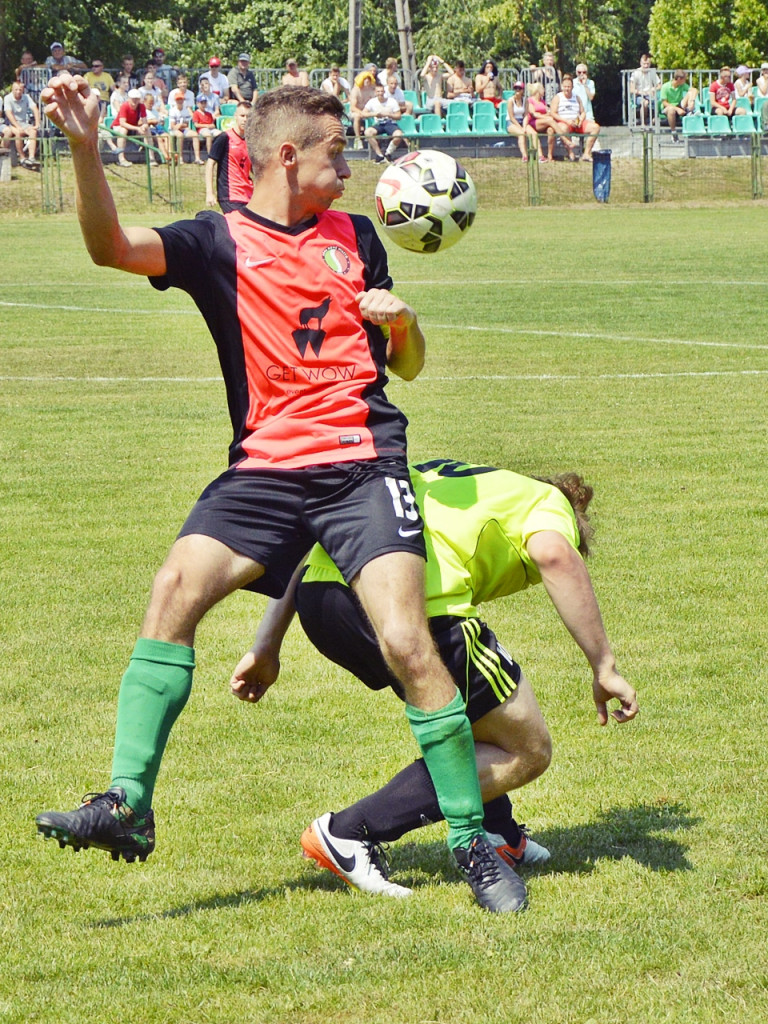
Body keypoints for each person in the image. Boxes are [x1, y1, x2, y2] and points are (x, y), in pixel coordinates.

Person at [35, 77, 526, 916]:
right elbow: (111, 245)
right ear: (288, 156)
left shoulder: (357, 239)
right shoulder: (217, 241)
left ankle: (473, 842)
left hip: (361, 466)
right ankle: (127, 805)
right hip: (265, 472)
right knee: (172, 593)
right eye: (338, 152)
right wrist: (85, 148)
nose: (352, 166)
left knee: (409, 642)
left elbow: (399, 368)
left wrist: (402, 324)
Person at [232, 459, 639, 898]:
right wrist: (605, 667)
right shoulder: (548, 504)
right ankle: (349, 831)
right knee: (528, 749)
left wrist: (266, 645)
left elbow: (319, 533)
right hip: (417, 612)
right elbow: (554, 554)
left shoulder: (458, 481)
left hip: (323, 602)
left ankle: (499, 832)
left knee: (464, 716)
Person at [204, 101, 252, 210]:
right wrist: (209, 193)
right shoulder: (224, 137)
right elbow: (210, 164)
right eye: (242, 116)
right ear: (235, 116)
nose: (245, 119)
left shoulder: (251, 141)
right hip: (230, 195)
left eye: (248, 116)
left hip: (248, 194)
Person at [550, 74, 599, 161]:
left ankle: (586, 153)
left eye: (569, 86)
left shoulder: (576, 97)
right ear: (562, 87)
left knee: (595, 127)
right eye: (565, 86)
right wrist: (566, 121)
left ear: (572, 87)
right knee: (563, 128)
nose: (567, 89)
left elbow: (583, 112)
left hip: (577, 122)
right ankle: (570, 153)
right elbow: (553, 113)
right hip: (565, 122)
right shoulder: (558, 97)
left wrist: (580, 120)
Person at [362, 82, 407, 162]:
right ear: (375, 93)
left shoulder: (392, 101)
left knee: (398, 135)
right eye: (378, 92)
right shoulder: (372, 102)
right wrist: (374, 114)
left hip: (390, 123)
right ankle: (379, 155)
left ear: (384, 92)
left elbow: (398, 116)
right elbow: (363, 113)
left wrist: (389, 115)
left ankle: (388, 153)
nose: (380, 93)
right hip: (378, 124)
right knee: (368, 132)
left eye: (382, 91)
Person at [523, 82, 566, 162]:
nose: (544, 90)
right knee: (550, 120)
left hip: (543, 122)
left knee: (551, 130)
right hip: (533, 122)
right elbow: (533, 114)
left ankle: (550, 155)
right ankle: (565, 139)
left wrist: (547, 115)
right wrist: (546, 117)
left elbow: (547, 111)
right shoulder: (530, 100)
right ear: (538, 90)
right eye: (543, 88)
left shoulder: (542, 101)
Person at [2, 80, 40, 168]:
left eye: (20, 90)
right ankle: (22, 157)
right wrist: (18, 126)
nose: (18, 92)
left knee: (33, 132)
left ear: (23, 90)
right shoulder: (8, 98)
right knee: (18, 133)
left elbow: (35, 109)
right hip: (11, 124)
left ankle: (31, 157)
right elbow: (9, 114)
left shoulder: (26, 97)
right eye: (16, 89)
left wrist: (37, 123)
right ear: (12, 89)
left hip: (23, 122)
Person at [112, 88, 151, 167]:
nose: (135, 101)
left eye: (137, 99)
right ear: (129, 99)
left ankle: (151, 157)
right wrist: (137, 128)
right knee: (123, 130)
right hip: (119, 126)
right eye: (133, 99)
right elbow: (122, 123)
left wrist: (144, 126)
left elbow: (145, 122)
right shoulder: (124, 106)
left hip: (133, 127)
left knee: (147, 130)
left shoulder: (141, 106)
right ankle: (121, 158)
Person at [659, 71, 698, 136]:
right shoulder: (665, 86)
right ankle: (673, 132)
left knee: (690, 93)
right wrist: (677, 109)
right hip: (668, 107)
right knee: (671, 110)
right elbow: (664, 102)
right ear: (679, 79)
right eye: (684, 79)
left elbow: (694, 90)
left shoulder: (682, 85)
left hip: (679, 104)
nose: (685, 81)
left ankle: (689, 110)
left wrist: (692, 101)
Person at [505, 81, 535, 161]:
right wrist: (521, 128)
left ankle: (540, 156)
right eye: (516, 88)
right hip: (511, 122)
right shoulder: (510, 100)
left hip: (522, 121)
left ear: (522, 90)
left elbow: (525, 115)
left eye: (519, 88)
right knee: (521, 134)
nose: (517, 90)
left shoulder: (525, 100)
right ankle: (525, 156)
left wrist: (524, 126)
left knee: (533, 133)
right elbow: (511, 117)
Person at [348, 68, 377, 148]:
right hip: (355, 112)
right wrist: (362, 113)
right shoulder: (355, 91)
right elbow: (352, 107)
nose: (367, 81)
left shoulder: (371, 90)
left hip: (368, 112)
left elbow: (375, 103)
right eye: (365, 79)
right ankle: (358, 139)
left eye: (369, 79)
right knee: (357, 116)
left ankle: (375, 139)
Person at [167, 90, 199, 163]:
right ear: (175, 100)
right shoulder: (172, 110)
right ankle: (180, 157)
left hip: (183, 128)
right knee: (180, 135)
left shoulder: (186, 110)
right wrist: (179, 126)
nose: (180, 101)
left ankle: (197, 158)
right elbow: (172, 126)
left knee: (195, 135)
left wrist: (180, 125)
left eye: (181, 99)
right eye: (178, 99)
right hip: (173, 130)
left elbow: (186, 124)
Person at [630, 54, 659, 127]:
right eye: (644, 64)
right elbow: (631, 89)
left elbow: (659, 85)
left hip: (650, 95)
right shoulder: (635, 73)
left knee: (659, 101)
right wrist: (640, 92)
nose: (646, 66)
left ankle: (655, 120)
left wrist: (653, 89)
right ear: (640, 63)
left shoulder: (652, 72)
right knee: (645, 103)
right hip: (638, 96)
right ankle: (643, 123)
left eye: (648, 64)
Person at [143, 92, 170, 163]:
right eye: (149, 103)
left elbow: (158, 120)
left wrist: (161, 122)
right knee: (159, 139)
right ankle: (166, 156)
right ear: (144, 102)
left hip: (158, 128)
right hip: (150, 129)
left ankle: (170, 153)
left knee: (167, 137)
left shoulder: (155, 111)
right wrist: (151, 121)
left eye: (152, 103)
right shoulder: (143, 111)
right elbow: (140, 122)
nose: (151, 104)